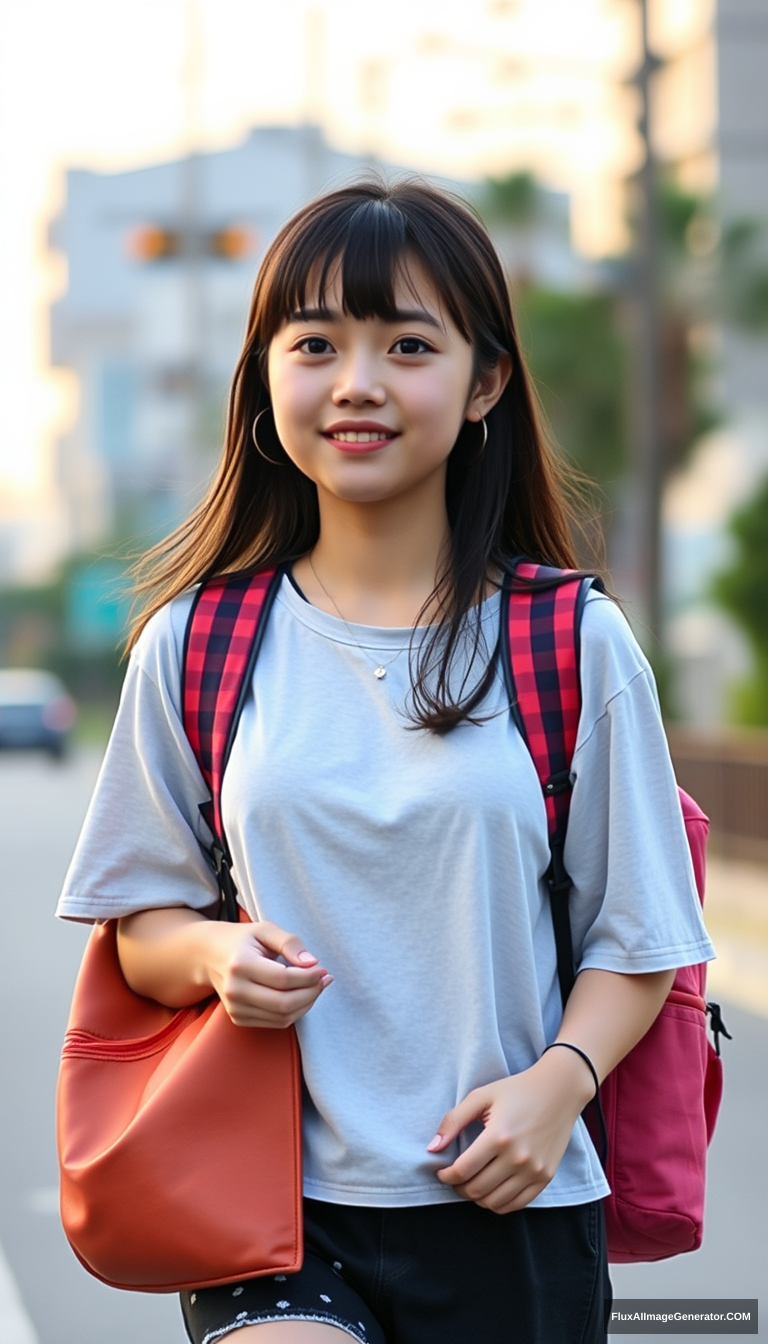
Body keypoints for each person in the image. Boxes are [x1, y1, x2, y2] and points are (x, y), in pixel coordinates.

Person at [58, 179, 715, 1344]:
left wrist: (557, 1086)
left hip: (513, 1198)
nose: (357, 382)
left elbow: (645, 941)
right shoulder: (196, 644)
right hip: (273, 1209)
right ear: (267, 381)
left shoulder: (571, 643)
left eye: (408, 344)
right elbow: (139, 930)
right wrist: (215, 953)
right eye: (315, 343)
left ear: (485, 384)